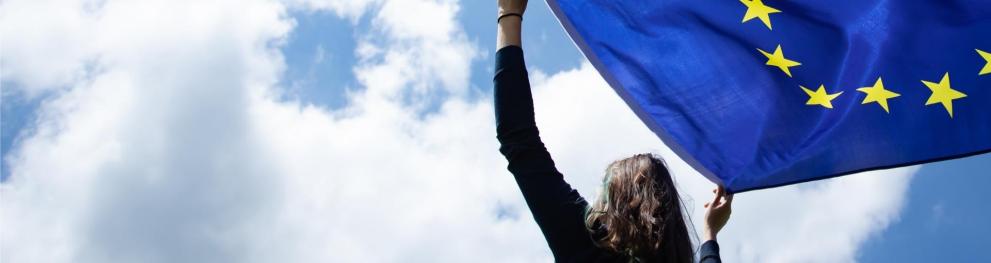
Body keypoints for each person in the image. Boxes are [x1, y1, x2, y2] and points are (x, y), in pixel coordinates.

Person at [493, 0, 733, 262]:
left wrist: (509, 14)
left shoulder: (587, 244)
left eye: (606, 191)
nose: (598, 204)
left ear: (620, 205)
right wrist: (709, 237)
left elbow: (518, 139)